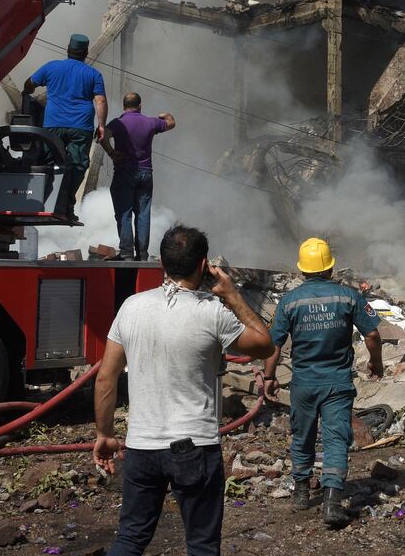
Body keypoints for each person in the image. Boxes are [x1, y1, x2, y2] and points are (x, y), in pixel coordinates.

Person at [93, 225, 273, 556]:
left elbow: (105, 378)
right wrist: (232, 294)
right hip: (195, 448)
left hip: (141, 447)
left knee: (130, 538)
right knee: (202, 545)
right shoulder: (214, 312)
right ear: (204, 266)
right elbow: (264, 344)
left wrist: (105, 433)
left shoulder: (131, 307)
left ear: (161, 260)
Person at [262, 238, 382, 528]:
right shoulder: (349, 296)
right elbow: (373, 336)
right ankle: (331, 503)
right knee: (336, 440)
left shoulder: (290, 301)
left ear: (302, 269)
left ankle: (302, 494)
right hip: (337, 383)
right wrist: (376, 363)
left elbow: (273, 345)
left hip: (303, 384)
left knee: (302, 436)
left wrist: (269, 377)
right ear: (330, 267)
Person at [22, 34, 107, 221]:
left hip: (53, 125)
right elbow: (100, 100)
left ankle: (42, 202)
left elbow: (30, 83)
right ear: (85, 53)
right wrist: (101, 126)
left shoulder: (52, 67)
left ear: (68, 49)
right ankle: (67, 204)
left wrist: (27, 91)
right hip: (81, 126)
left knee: (50, 162)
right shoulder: (93, 74)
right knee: (77, 165)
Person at [100, 93, 175, 261]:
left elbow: (102, 136)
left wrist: (112, 153)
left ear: (124, 106)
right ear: (140, 106)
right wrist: (166, 115)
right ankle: (142, 255)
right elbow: (171, 123)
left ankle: (126, 253)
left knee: (124, 213)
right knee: (143, 214)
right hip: (146, 173)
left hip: (124, 172)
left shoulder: (118, 123)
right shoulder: (150, 122)